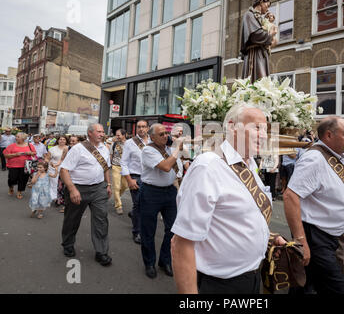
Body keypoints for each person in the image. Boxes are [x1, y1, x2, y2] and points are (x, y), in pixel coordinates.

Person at [171, 103, 286, 294]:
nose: (265, 135)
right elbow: (181, 243)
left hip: (252, 276)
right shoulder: (209, 166)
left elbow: (238, 216)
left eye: (266, 130)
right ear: (232, 126)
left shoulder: (248, 165)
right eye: (257, 128)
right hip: (220, 284)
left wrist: (269, 238)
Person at [283, 116, 344, 294]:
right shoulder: (314, 159)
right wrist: (300, 242)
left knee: (305, 282)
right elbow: (290, 196)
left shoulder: (339, 157)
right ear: (329, 135)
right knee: (336, 288)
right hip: (315, 236)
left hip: (330, 234)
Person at [59, 123, 113, 266]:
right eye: (99, 132)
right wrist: (72, 190)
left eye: (103, 132)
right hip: (78, 189)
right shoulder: (78, 149)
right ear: (90, 133)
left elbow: (106, 168)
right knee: (72, 219)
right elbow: (64, 170)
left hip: (98, 189)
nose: (102, 134)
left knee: (101, 219)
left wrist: (108, 185)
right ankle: (68, 244)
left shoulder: (105, 148)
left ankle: (101, 251)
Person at [139, 123, 183, 279]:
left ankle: (165, 261)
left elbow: (177, 168)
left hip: (169, 192)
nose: (166, 136)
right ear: (152, 137)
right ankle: (149, 263)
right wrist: (178, 147)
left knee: (172, 229)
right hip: (151, 192)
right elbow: (165, 166)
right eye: (161, 134)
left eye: (166, 133)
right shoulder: (148, 150)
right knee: (148, 230)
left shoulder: (169, 149)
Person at [120, 120, 151, 244]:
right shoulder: (129, 143)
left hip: (151, 178)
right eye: (139, 127)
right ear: (136, 129)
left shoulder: (153, 141)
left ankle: (134, 214)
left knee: (147, 205)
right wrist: (129, 180)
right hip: (136, 177)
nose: (141, 129)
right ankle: (137, 232)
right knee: (138, 204)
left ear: (148, 128)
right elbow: (124, 162)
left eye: (144, 127)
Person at [240, 0, 275, 82]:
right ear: (261, 2)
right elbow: (255, 35)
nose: (268, 8)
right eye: (267, 5)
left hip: (262, 53)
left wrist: (267, 23)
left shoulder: (260, 18)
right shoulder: (249, 15)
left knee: (263, 82)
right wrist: (270, 35)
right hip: (254, 53)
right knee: (257, 79)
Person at [3, 132, 36, 199]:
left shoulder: (30, 145)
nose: (16, 138)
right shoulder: (12, 146)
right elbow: (5, 155)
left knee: (23, 179)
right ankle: (11, 186)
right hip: (13, 165)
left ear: (23, 138)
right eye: (16, 136)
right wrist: (15, 154)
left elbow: (34, 153)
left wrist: (30, 153)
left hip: (26, 166)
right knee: (12, 179)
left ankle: (19, 191)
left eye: (18, 137)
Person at [48, 136, 69, 212]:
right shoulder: (52, 149)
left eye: (64, 139)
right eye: (60, 139)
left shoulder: (69, 148)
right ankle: (55, 198)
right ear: (58, 140)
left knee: (62, 185)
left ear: (66, 141)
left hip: (65, 169)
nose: (62, 140)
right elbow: (47, 158)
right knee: (54, 184)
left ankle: (61, 199)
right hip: (53, 168)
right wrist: (49, 163)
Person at [110, 129, 128, 215]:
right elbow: (111, 154)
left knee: (125, 185)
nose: (117, 137)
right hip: (115, 166)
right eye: (116, 135)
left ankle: (117, 198)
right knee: (116, 186)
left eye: (118, 135)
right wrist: (110, 165)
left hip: (125, 168)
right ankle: (118, 205)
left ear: (124, 135)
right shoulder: (114, 144)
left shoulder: (129, 144)